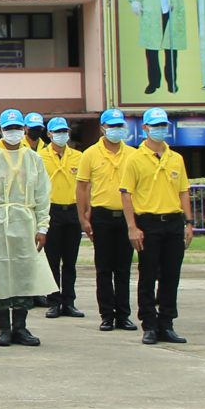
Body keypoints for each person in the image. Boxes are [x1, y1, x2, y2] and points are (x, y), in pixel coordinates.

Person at [0, 111, 53, 347]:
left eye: (18, 128)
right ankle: (3, 328)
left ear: (24, 130)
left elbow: (42, 194)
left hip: (26, 221)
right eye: (9, 128)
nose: (14, 133)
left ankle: (21, 327)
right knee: (0, 273)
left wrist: (43, 226)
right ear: (0, 131)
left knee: (23, 272)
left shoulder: (34, 159)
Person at [119, 109, 194, 344]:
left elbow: (183, 191)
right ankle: (149, 325)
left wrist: (189, 223)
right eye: (155, 125)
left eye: (163, 125)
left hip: (173, 222)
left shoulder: (176, 158)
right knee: (148, 274)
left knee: (171, 275)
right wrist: (132, 226)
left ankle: (167, 323)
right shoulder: (134, 159)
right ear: (145, 128)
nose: (160, 129)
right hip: (148, 222)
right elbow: (126, 194)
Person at [77, 110, 136, 331]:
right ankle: (107, 315)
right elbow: (82, 187)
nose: (116, 130)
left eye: (120, 125)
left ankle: (123, 315)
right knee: (103, 268)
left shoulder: (132, 154)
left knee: (123, 268)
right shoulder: (90, 154)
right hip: (101, 215)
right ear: (102, 128)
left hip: (125, 216)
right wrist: (83, 216)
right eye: (112, 126)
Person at [40, 115, 85, 319]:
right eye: (57, 132)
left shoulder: (78, 156)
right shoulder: (40, 157)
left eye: (64, 131)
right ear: (49, 134)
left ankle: (69, 301)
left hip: (72, 210)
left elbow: (85, 186)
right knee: (51, 260)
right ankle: (53, 301)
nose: (61, 135)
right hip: (51, 211)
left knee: (70, 260)